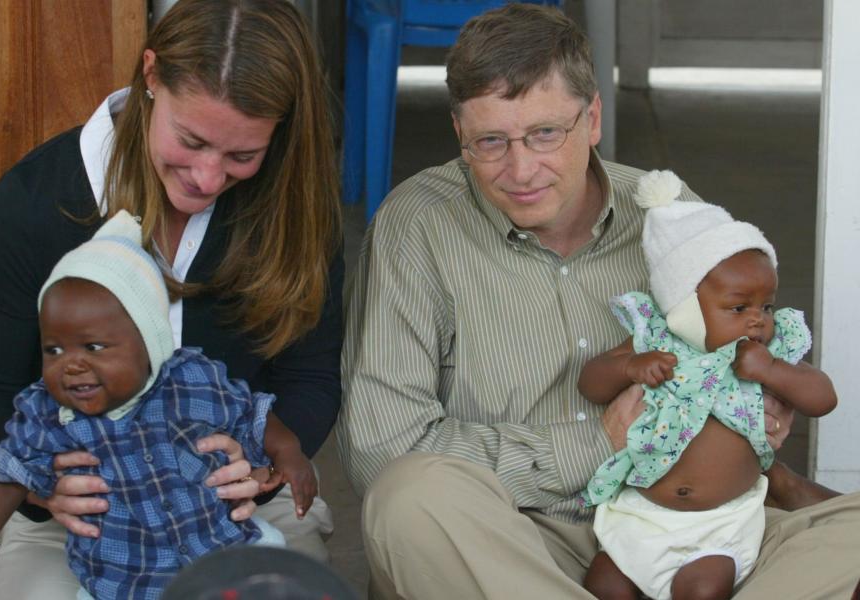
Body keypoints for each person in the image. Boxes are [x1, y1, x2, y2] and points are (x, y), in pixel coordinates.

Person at [337, 4, 860, 599]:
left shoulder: (666, 213)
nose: (521, 169)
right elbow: (384, 450)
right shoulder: (419, 225)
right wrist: (595, 444)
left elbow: (744, 342)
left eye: (545, 133)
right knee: (411, 500)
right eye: (491, 141)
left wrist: (762, 409)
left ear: (591, 120)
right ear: (460, 135)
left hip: (690, 527)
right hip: (516, 539)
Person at [0, 0, 342, 597]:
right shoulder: (35, 201)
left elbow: (311, 378)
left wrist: (261, 469)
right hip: (76, 523)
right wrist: (44, 486)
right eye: (191, 140)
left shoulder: (294, 207)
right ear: (151, 75)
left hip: (237, 507)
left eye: (243, 156)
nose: (209, 179)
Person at [0, 211, 304, 600]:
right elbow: (6, 475)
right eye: (54, 348)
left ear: (148, 341)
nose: (72, 364)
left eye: (94, 347)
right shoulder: (49, 415)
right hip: (126, 582)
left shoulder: (190, 380)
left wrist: (286, 451)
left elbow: (249, 411)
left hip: (221, 551)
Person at [577, 171, 837, 600]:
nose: (758, 318)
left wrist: (773, 371)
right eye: (739, 307)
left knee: (702, 591)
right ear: (684, 307)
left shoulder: (766, 352)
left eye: (766, 305)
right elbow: (591, 381)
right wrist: (630, 368)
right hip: (643, 516)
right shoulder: (654, 341)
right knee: (605, 584)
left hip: (719, 526)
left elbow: (823, 398)